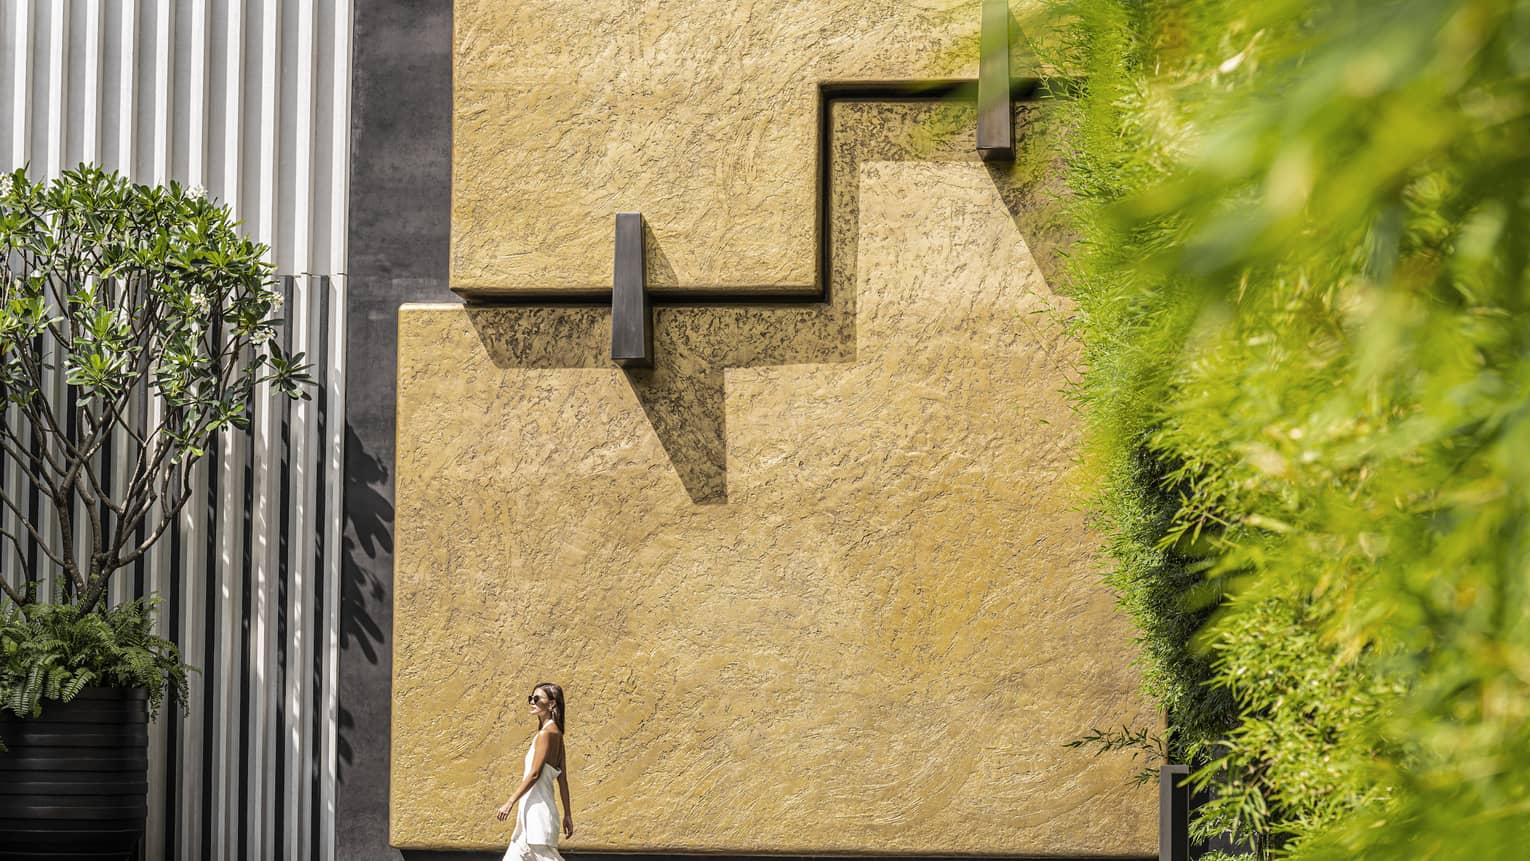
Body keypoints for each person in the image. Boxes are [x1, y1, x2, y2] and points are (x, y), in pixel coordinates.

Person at [496, 682, 575, 861]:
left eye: (537, 698)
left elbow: (534, 774)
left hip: (538, 816)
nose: (532, 701)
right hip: (529, 819)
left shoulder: (546, 735)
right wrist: (567, 814)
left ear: (551, 704)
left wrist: (510, 802)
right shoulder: (556, 735)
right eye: (530, 698)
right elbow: (563, 780)